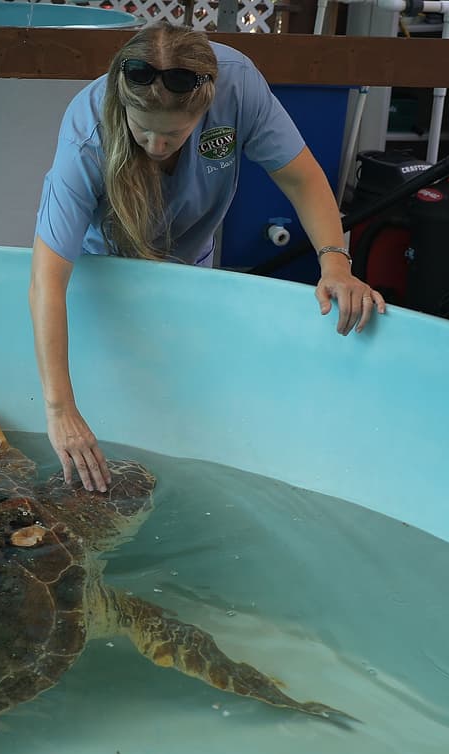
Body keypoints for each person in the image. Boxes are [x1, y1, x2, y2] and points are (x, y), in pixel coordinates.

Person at [29, 22, 386, 493]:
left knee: (185, 394)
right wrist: (59, 410)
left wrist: (336, 264)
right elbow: (47, 282)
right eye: (142, 132)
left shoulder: (237, 85)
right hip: (105, 269)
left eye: (173, 136)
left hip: (189, 260)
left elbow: (301, 177)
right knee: (116, 384)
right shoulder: (86, 132)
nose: (156, 148)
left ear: (206, 106)